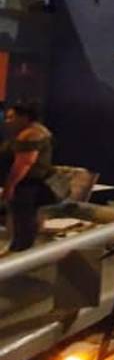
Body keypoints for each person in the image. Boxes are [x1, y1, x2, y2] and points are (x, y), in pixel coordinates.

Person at [2, 104, 56, 253]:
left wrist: (10, 186)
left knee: (23, 222)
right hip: (28, 185)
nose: (7, 121)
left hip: (26, 186)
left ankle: (21, 254)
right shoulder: (34, 132)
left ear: (24, 117)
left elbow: (24, 164)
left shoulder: (30, 135)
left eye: (11, 117)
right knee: (25, 220)